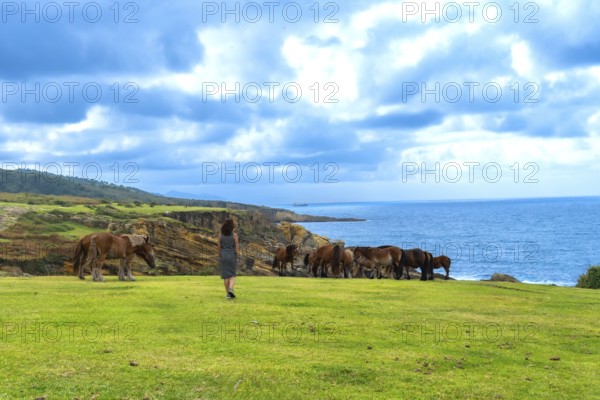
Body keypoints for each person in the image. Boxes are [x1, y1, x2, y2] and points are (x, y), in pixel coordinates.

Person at [217, 218, 239, 299]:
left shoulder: (220, 235)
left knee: (225, 276)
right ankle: (230, 289)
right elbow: (236, 247)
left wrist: (220, 254)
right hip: (232, 255)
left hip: (223, 255)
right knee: (232, 274)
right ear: (232, 226)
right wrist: (236, 255)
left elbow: (219, 246)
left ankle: (228, 294)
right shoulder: (235, 235)